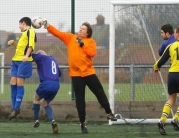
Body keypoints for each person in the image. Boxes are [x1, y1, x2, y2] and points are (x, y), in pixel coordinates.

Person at [41, 20, 117, 133]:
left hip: (89, 73)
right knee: (80, 100)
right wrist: (47, 26)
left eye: (83, 29)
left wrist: (82, 44)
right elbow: (58, 33)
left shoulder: (90, 41)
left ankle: (109, 113)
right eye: (80, 28)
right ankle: (83, 123)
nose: (80, 30)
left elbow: (92, 53)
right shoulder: (71, 38)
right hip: (76, 75)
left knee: (99, 92)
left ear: (87, 33)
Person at [7, 17, 36, 120]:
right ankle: (14, 108)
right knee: (12, 82)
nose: (19, 26)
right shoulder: (22, 34)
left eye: (19, 24)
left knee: (19, 83)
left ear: (23, 23)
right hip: (15, 61)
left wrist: (27, 56)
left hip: (24, 61)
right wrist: (14, 43)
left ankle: (16, 108)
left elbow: (31, 45)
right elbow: (20, 49)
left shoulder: (31, 31)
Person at [154, 26, 179, 135]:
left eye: (175, 33)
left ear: (177, 35)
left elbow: (161, 61)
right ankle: (176, 118)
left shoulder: (171, 46)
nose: (174, 35)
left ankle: (162, 120)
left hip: (172, 75)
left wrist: (156, 67)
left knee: (171, 99)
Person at [31, 50, 61, 134]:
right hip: (56, 85)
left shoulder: (41, 57)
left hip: (46, 83)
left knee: (36, 99)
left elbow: (29, 56)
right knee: (45, 103)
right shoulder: (53, 59)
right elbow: (59, 73)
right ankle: (53, 121)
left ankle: (36, 120)